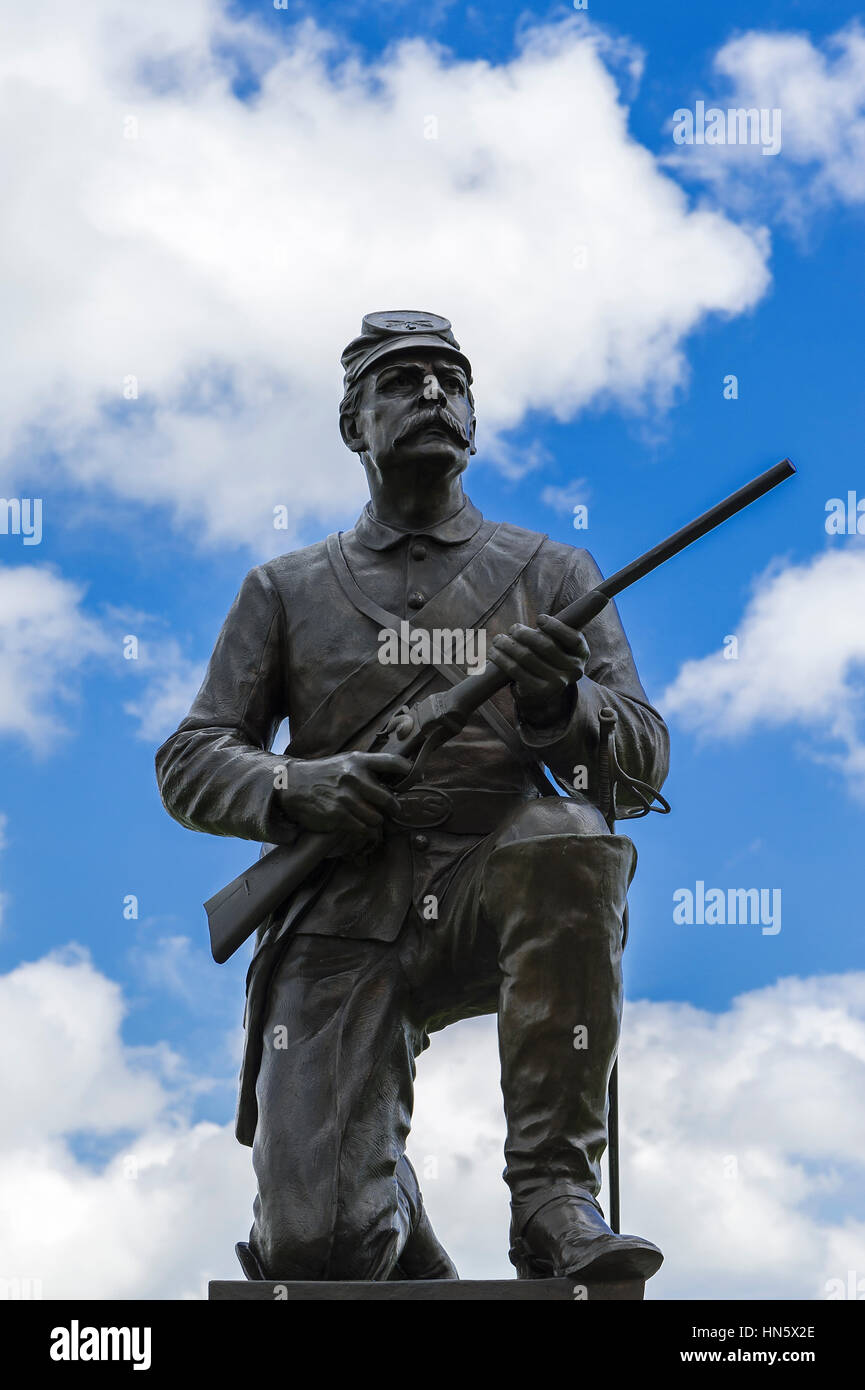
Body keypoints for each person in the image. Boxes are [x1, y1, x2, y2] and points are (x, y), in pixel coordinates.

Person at [155, 310, 670, 1283]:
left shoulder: (550, 572)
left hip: (504, 877)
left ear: (472, 420)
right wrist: (301, 784)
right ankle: (375, 1203)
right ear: (355, 427)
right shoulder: (285, 588)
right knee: (322, 1249)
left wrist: (561, 703)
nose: (432, 395)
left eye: (450, 380)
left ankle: (554, 1193)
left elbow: (639, 767)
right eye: (401, 382)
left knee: (568, 834)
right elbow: (190, 758)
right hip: (345, 906)